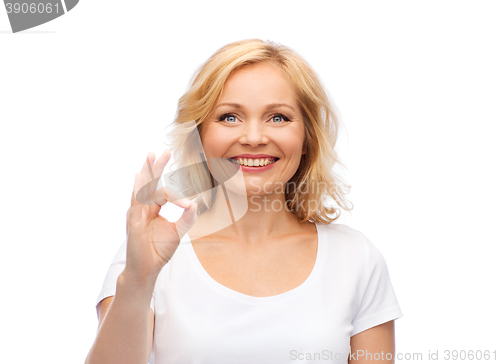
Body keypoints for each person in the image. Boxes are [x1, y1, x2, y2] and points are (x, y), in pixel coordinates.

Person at [84, 38, 403, 364]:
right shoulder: (147, 254)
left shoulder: (356, 258)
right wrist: (138, 280)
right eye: (229, 118)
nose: (253, 138)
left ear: (307, 138)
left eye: (278, 117)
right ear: (200, 138)